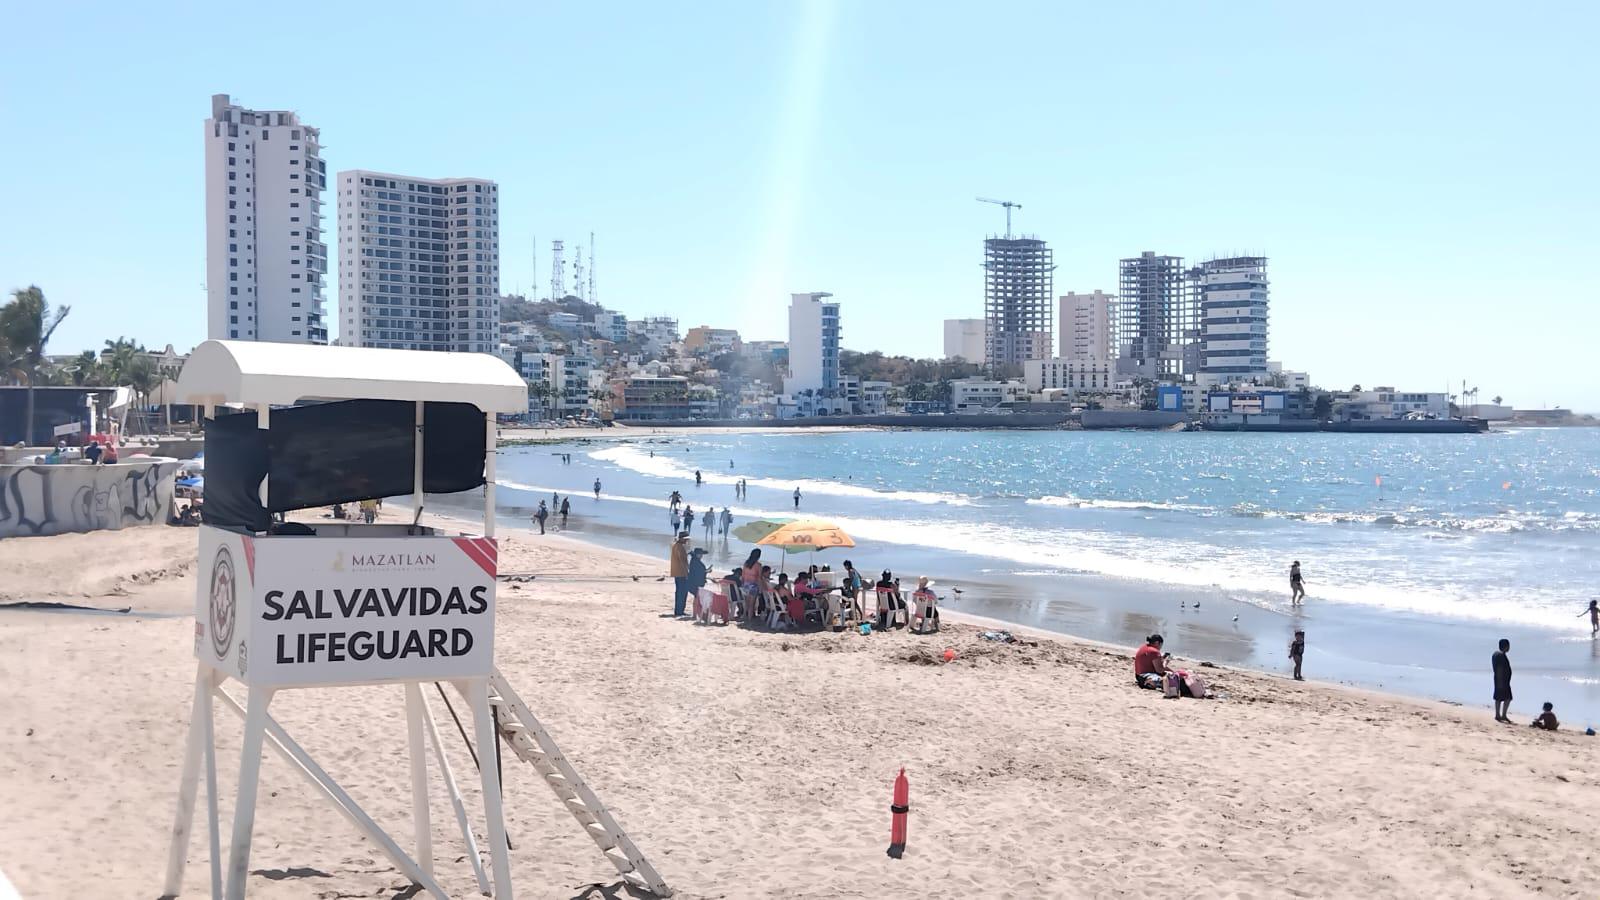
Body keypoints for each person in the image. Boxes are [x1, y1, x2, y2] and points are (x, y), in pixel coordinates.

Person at [669, 532, 691, 618]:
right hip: (681, 573)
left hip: (677, 572)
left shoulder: (675, 545)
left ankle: (678, 610)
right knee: (682, 592)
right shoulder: (680, 547)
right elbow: (683, 562)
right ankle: (680, 611)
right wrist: (687, 573)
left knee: (679, 592)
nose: (686, 541)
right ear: (681, 538)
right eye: (685, 539)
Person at [1492, 638, 1513, 723]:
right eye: (1508, 646)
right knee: (1508, 698)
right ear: (1506, 646)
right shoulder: (1501, 655)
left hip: (1499, 679)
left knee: (1498, 697)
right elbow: (1500, 668)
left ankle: (1498, 714)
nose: (1509, 648)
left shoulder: (1496, 654)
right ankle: (1503, 715)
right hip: (1502, 680)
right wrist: (1501, 681)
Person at [687, 548, 708, 615]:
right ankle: (695, 613)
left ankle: (695, 613)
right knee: (697, 598)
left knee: (697, 598)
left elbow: (698, 571)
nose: (701, 556)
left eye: (702, 554)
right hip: (695, 583)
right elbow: (698, 572)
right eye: (700, 554)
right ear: (697, 554)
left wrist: (705, 571)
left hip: (694, 582)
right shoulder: (695, 561)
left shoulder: (694, 560)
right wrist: (706, 571)